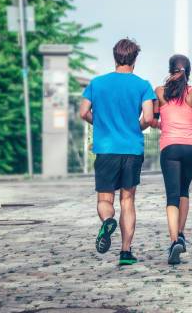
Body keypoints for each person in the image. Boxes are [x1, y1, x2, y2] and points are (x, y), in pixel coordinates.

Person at [79, 38, 156, 266]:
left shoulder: (97, 83)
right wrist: (136, 126)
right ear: (135, 59)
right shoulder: (143, 85)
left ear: (115, 57)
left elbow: (83, 112)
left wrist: (100, 123)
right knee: (128, 200)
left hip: (106, 149)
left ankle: (107, 221)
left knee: (105, 198)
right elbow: (149, 118)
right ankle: (125, 252)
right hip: (132, 149)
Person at [151, 54, 192, 265]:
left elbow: (154, 120)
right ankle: (182, 233)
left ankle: (174, 240)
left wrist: (162, 124)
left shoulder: (160, 92)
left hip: (170, 147)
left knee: (172, 196)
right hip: (191, 148)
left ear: (170, 70)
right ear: (189, 71)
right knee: (184, 191)